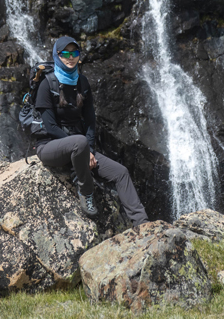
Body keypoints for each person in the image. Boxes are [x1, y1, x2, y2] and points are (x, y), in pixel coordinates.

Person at [34, 35, 149, 226]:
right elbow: (50, 126)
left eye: (75, 53)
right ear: (57, 55)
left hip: (81, 147)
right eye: (66, 53)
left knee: (121, 172)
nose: (71, 57)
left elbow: (90, 121)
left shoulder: (82, 82)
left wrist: (90, 150)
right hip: (50, 146)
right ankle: (85, 191)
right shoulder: (47, 84)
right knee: (79, 142)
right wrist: (84, 148)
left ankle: (143, 223)